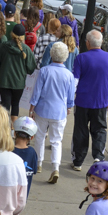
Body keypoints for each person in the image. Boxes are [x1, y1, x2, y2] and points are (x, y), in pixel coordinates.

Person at [29, 42, 76, 183]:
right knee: (56, 140)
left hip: (43, 109)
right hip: (59, 111)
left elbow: (37, 91)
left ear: (51, 54)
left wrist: (32, 107)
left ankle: (38, 163)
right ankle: (55, 167)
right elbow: (70, 95)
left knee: (40, 137)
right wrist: (69, 106)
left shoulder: (44, 71)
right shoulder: (69, 75)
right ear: (66, 56)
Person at [71, 29, 108, 171]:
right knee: (99, 129)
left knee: (80, 130)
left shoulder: (81, 58)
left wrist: (70, 98)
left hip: (82, 101)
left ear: (87, 43)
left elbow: (74, 81)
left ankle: (78, 161)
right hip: (101, 101)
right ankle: (98, 156)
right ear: (101, 42)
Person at [0, 23, 36, 122]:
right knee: (15, 104)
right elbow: (31, 68)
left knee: (5, 105)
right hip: (19, 83)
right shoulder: (26, 49)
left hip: (4, 81)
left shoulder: (3, 46)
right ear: (23, 36)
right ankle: (13, 127)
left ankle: (3, 126)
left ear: (12, 34)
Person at [11, 116, 38, 197]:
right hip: (23, 196)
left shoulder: (9, 151)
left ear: (15, 133)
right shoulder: (32, 152)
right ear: (31, 137)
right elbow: (34, 170)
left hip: (8, 196)